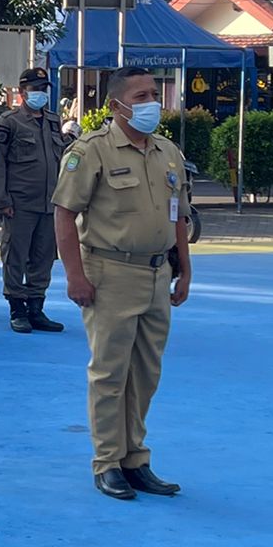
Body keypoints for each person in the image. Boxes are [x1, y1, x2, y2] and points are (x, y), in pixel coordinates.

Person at [53, 65, 192, 501]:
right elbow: (63, 213)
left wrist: (184, 267)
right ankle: (107, 462)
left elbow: (179, 214)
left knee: (146, 374)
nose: (152, 103)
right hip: (110, 273)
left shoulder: (167, 151)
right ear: (115, 106)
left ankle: (136, 458)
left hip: (157, 273)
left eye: (155, 93)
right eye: (141, 97)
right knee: (110, 374)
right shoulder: (91, 151)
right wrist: (74, 275)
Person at [0, 67, 69, 335]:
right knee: (15, 256)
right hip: (20, 203)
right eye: (35, 89)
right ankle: (17, 309)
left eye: (43, 89)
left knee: (43, 257)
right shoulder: (9, 122)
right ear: (23, 92)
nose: (40, 94)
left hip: (49, 203)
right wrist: (2, 200)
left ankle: (36, 307)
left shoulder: (53, 121)